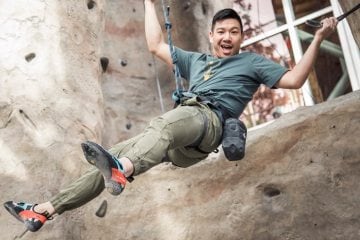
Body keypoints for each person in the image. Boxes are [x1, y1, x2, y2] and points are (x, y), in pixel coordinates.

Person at [4, 0, 338, 233]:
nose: (226, 37)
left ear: (240, 37)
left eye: (233, 32)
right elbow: (155, 45)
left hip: (210, 122)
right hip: (179, 141)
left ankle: (122, 170)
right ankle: (45, 210)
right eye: (221, 31)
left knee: (161, 125)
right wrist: (149, 3)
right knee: (115, 153)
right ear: (211, 36)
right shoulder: (197, 61)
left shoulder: (251, 63)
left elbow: (293, 80)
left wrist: (320, 37)